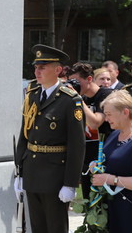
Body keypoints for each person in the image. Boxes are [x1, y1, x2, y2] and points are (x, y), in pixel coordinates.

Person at [14, 45, 85, 233]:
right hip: (32, 172)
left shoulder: (70, 100)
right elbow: (24, 135)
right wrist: (19, 172)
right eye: (36, 66)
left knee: (55, 227)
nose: (37, 71)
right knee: (36, 227)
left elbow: (77, 146)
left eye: (43, 67)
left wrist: (70, 183)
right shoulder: (32, 95)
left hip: (55, 176)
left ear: (58, 70)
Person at [91, 90, 132, 233]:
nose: (106, 118)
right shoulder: (116, 133)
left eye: (109, 114)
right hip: (116, 209)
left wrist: (110, 179)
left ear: (125, 112)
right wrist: (98, 166)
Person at [70, 63, 112, 197]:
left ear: (89, 79)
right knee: (88, 205)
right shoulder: (82, 98)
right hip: (86, 160)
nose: (74, 86)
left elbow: (95, 123)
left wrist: (76, 98)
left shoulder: (106, 95)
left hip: (104, 159)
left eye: (77, 82)